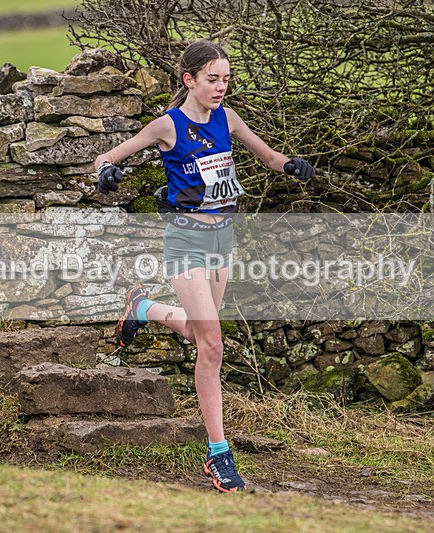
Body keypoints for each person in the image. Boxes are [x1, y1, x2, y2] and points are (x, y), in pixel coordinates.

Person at [94, 40, 314, 493]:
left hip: (222, 240)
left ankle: (143, 308)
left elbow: (268, 157)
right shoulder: (167, 125)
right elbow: (110, 155)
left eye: (226, 79)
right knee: (212, 344)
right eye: (212, 79)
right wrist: (105, 171)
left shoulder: (227, 119)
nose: (221, 87)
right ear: (188, 80)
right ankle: (218, 454)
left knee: (200, 333)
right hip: (185, 242)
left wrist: (292, 165)